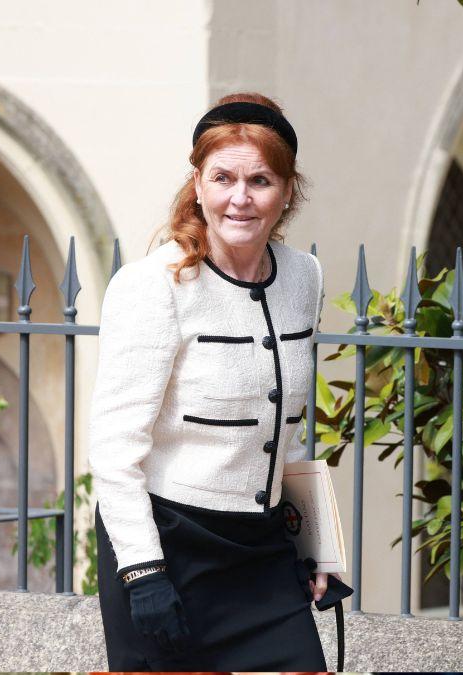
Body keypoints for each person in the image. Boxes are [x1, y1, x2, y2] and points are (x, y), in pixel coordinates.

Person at [89, 92, 349, 670]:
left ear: (287, 190)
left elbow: (286, 431)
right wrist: (143, 573)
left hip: (261, 551)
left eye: (260, 180)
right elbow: (114, 450)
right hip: (166, 546)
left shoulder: (304, 277)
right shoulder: (152, 286)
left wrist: (316, 547)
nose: (240, 197)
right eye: (223, 177)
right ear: (199, 184)